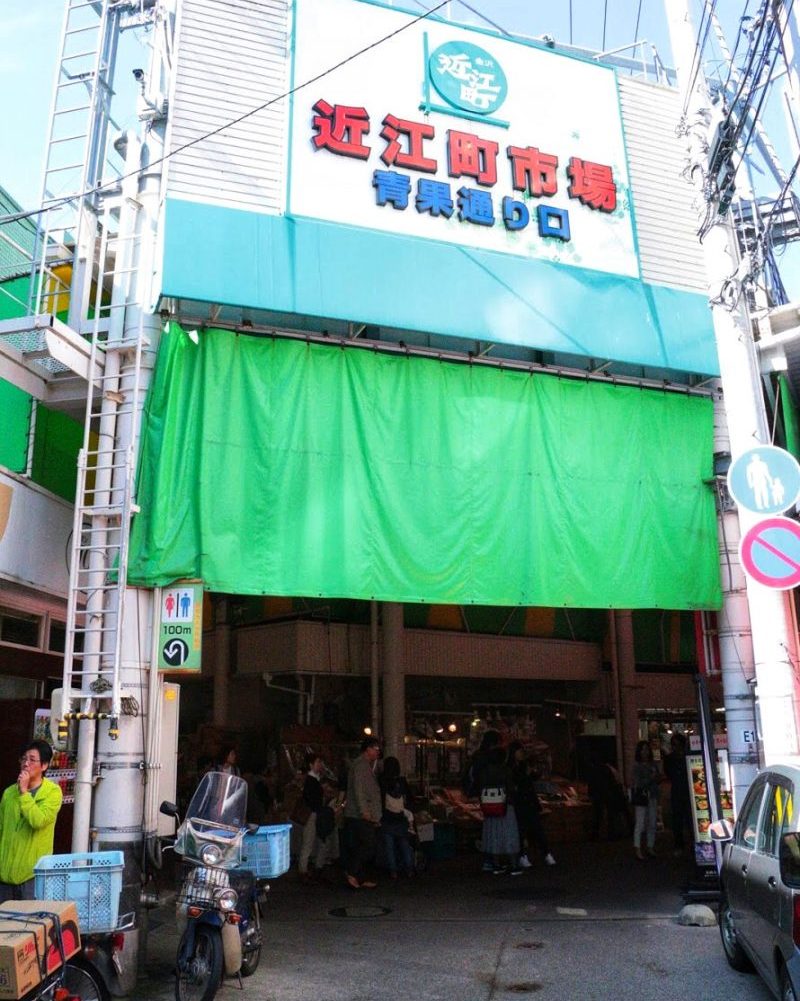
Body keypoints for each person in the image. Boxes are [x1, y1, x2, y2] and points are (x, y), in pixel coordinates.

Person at [0, 740, 63, 899]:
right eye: (23, 759)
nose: (26, 764)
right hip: (5, 876)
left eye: (32, 760)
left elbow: (38, 821)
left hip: (33, 877)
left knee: (30, 922)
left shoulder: (52, 793)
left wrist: (24, 793)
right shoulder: (9, 793)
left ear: (44, 766)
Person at [507, 742, 555, 868]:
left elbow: (533, 778)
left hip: (528, 801)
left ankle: (545, 853)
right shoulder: (512, 768)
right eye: (519, 751)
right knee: (522, 830)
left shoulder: (523, 766)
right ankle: (524, 855)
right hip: (520, 802)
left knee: (537, 829)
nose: (521, 753)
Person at [343, 736, 382, 889]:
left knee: (362, 844)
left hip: (359, 813)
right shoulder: (360, 766)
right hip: (359, 814)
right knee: (368, 844)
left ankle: (359, 876)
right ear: (368, 749)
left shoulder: (364, 765)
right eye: (376, 749)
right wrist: (365, 811)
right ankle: (352, 872)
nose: (378, 751)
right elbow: (359, 790)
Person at [475, 745, 520, 875]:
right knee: (509, 834)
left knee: (493, 834)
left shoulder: (484, 772)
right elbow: (511, 788)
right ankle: (514, 864)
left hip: (489, 806)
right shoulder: (506, 770)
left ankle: (496, 864)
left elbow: (479, 787)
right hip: (506, 806)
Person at [464, 729, 502, 873]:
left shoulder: (477, 756)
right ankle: (492, 859)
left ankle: (489, 859)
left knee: (489, 827)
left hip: (483, 795)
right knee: (493, 828)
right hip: (491, 795)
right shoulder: (489, 758)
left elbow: (472, 775)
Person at [379, 756, 414, 880]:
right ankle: (409, 868)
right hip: (401, 818)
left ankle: (393, 871)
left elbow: (380, 801)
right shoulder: (402, 781)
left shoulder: (382, 781)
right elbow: (410, 799)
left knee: (389, 846)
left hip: (387, 818)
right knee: (404, 843)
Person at [297, 753, 326, 881]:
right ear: (311, 765)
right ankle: (303, 870)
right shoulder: (312, 780)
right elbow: (312, 798)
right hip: (312, 813)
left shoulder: (314, 779)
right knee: (308, 842)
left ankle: (305, 869)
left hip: (314, 813)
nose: (320, 765)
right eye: (318, 762)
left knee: (309, 841)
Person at [587, 755, 629, 840]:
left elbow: (595, 784)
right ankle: (613, 832)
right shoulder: (609, 769)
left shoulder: (598, 770)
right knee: (613, 815)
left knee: (600, 815)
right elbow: (616, 782)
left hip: (604, 795)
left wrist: (591, 794)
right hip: (610, 794)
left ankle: (600, 833)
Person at [662, 733, 692, 855]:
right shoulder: (675, 758)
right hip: (680, 790)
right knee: (678, 820)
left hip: (684, 790)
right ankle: (680, 844)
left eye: (677, 744)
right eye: (674, 745)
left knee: (688, 819)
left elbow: (668, 773)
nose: (676, 747)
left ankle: (688, 843)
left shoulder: (674, 758)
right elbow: (668, 773)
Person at [631, 740, 660, 860]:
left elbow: (658, 778)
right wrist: (651, 778)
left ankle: (650, 846)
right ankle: (638, 848)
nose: (645, 752)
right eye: (643, 750)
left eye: (647, 749)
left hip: (652, 796)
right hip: (642, 797)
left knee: (652, 822)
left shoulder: (653, 765)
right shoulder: (637, 766)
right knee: (640, 822)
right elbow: (638, 783)